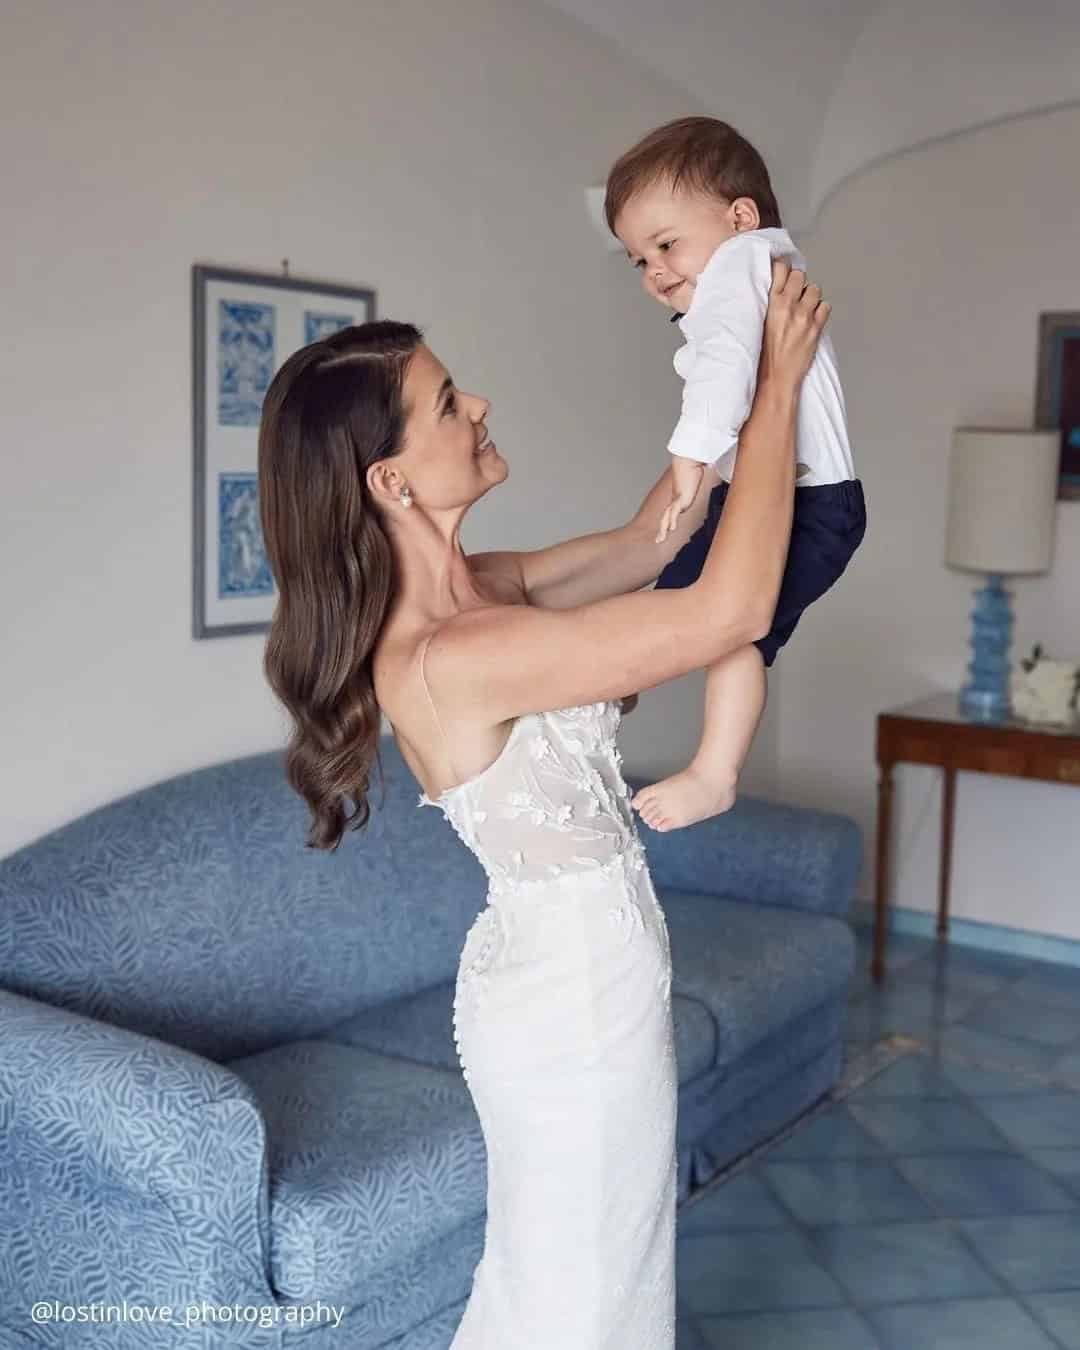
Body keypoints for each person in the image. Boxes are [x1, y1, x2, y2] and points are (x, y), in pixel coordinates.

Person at [256, 257, 829, 1348]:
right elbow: (729, 608)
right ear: (391, 482)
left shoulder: (491, 591)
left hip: (581, 980)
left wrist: (723, 385)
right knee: (577, 1298)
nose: (479, 406)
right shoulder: (452, 655)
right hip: (570, 1013)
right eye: (444, 404)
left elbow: (657, 536)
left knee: (596, 1278)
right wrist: (777, 398)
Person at [605, 116, 867, 832]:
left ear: (740, 216)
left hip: (810, 504)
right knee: (678, 598)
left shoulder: (742, 265)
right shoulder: (755, 271)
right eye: (637, 260)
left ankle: (715, 773)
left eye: (665, 244)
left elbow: (723, 371)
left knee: (733, 635)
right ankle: (612, 682)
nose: (655, 271)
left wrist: (689, 455)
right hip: (777, 494)